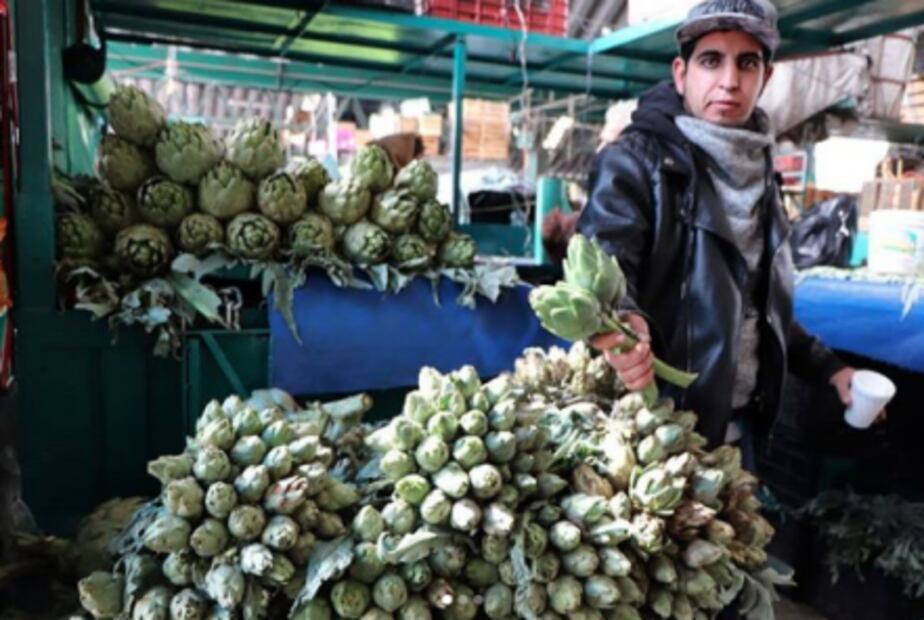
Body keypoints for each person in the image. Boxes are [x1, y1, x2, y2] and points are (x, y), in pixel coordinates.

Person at [578, 0, 873, 452]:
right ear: (682, 73)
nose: (729, 80)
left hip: (741, 430)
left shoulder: (761, 173)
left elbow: (756, 303)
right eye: (711, 61)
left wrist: (830, 368)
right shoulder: (633, 163)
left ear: (765, 77)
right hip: (654, 431)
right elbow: (603, 262)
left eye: (747, 62)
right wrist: (622, 321)